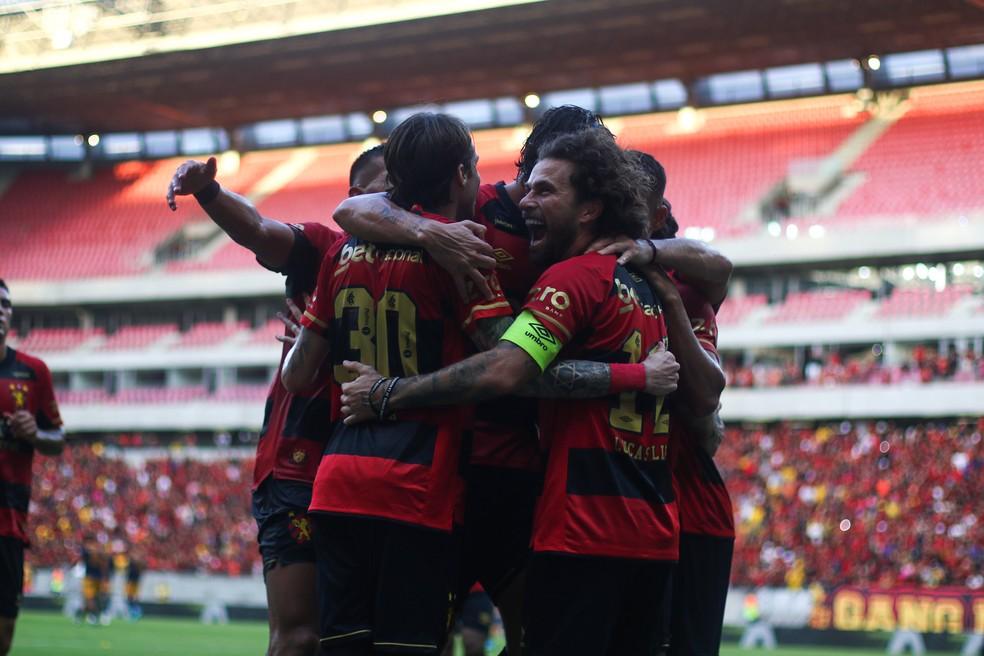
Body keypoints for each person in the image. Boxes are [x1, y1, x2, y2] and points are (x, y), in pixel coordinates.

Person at [339, 128, 681, 655]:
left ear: (589, 209)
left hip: (578, 523)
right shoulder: (651, 288)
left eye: (545, 191)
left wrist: (387, 392)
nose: (527, 200)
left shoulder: (570, 281)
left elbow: (506, 368)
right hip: (653, 532)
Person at [598, 151, 734, 656]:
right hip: (601, 508)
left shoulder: (683, 290)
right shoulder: (573, 277)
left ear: (659, 218)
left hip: (682, 511)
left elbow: (704, 399)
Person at [0, 279, 65, 655]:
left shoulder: (33, 371)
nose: (0, 310)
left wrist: (36, 434)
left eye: (5, 304)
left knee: (4, 629)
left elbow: (58, 439)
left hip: (8, 522)